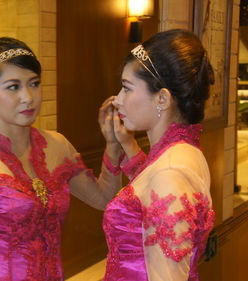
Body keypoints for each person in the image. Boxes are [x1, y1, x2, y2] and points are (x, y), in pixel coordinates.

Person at [0, 37, 124, 281]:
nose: (28, 97)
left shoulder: (58, 146)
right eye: (13, 86)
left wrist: (113, 145)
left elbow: (104, 199)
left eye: (34, 84)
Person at [99, 29, 216, 281]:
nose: (118, 100)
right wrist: (127, 145)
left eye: (127, 88)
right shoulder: (181, 150)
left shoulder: (170, 173)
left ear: (162, 98)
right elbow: (146, 194)